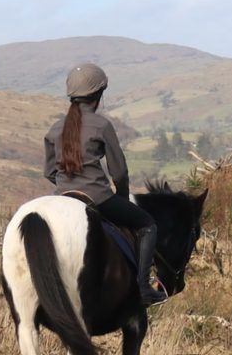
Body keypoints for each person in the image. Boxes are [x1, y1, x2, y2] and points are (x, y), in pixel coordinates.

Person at [44, 63, 167, 306]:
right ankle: (143, 288)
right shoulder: (101, 125)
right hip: (97, 198)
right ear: (99, 95)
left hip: (62, 198)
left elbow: (49, 172)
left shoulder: (55, 128)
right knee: (148, 224)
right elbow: (119, 172)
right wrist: (121, 198)